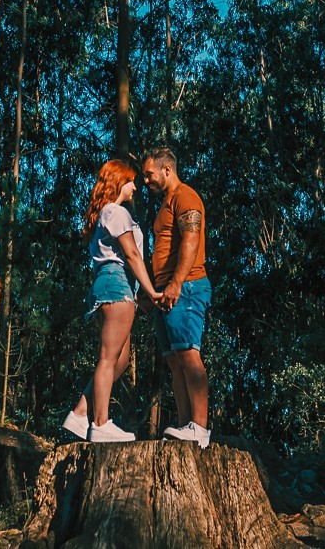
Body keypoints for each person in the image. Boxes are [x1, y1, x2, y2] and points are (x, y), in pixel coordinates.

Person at [61, 157, 160, 443]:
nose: (135, 187)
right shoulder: (115, 212)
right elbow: (131, 255)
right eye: (131, 181)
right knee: (108, 358)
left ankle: (80, 414)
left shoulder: (109, 213)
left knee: (120, 360)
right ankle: (100, 423)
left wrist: (138, 295)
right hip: (116, 283)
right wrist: (151, 291)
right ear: (119, 181)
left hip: (115, 284)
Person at [140, 147, 212, 447]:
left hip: (186, 288)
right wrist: (150, 292)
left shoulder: (185, 196)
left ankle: (200, 427)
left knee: (188, 355)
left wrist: (177, 283)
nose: (146, 181)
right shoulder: (165, 204)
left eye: (149, 174)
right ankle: (186, 426)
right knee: (174, 360)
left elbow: (191, 239)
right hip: (164, 293)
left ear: (166, 169)